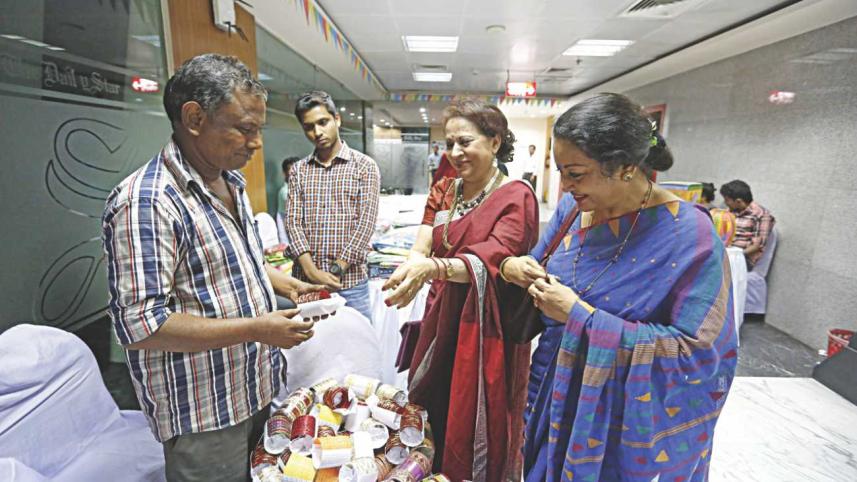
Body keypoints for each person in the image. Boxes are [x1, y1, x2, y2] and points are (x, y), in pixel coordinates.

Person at [102, 54, 322, 481]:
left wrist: (283, 283)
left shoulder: (228, 181)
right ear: (195, 118)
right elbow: (141, 325)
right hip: (205, 410)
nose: (256, 143)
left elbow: (232, 261)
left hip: (254, 386)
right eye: (245, 128)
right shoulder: (147, 202)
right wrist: (256, 328)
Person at [501, 93, 737, 481]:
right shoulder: (573, 210)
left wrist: (582, 317)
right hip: (553, 393)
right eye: (560, 170)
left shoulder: (689, 235)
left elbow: (699, 353)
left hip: (624, 421)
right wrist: (513, 267)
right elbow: (537, 267)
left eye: (576, 173)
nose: (564, 185)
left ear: (626, 167)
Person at [383, 98, 538, 481]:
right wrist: (411, 269)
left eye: (465, 142)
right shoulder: (445, 189)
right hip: (441, 315)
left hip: (486, 328)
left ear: (495, 142)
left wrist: (431, 267)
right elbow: (423, 243)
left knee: (472, 414)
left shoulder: (516, 196)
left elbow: (495, 257)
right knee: (432, 401)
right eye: (449, 143)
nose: (454, 153)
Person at [286, 91, 380, 321]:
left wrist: (337, 267)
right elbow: (293, 222)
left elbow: (365, 224)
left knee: (358, 347)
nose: (317, 132)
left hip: (350, 283)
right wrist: (311, 271)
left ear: (337, 119)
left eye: (323, 122)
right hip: (307, 283)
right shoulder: (299, 170)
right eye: (309, 127)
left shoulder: (364, 167)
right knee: (309, 349)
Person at [720, 179, 775, 269]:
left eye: (727, 200)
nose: (725, 203)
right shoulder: (731, 210)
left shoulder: (761, 214)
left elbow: (757, 246)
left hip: (743, 258)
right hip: (726, 252)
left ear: (738, 201)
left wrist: (734, 255)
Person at [276, 156, 300, 245]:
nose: (295, 172)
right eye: (291, 169)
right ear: (285, 173)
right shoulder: (285, 192)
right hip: (289, 229)